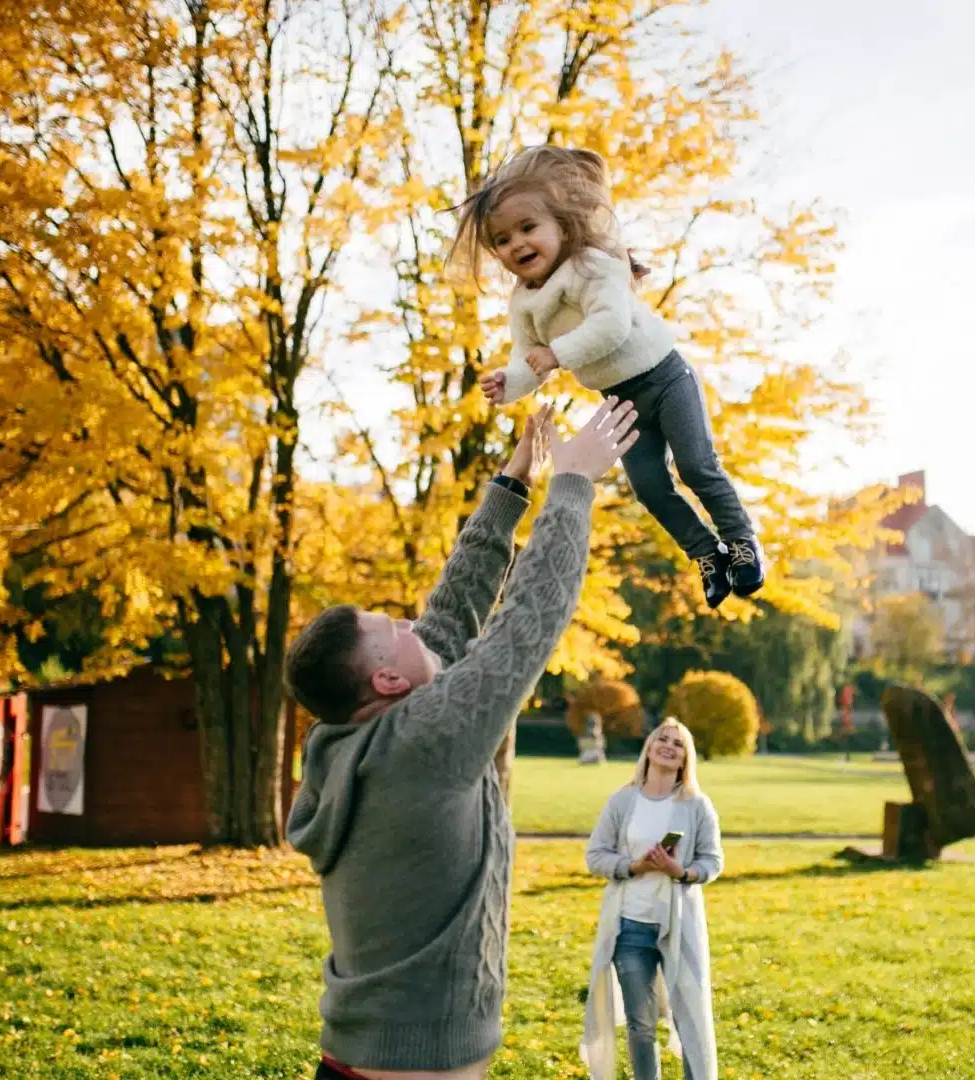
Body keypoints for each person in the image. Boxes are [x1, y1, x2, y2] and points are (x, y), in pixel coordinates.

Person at [284, 399, 639, 1080]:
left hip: (361, 1057)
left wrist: (511, 488)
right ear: (386, 679)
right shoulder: (422, 742)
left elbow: (448, 618)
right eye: (392, 626)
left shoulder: (361, 739)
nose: (411, 622)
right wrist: (574, 486)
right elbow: (527, 621)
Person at [448, 144, 763, 610]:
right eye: (502, 240)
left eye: (528, 228)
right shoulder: (524, 301)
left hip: (666, 377)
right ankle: (706, 554)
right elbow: (527, 356)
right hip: (622, 402)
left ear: (560, 225)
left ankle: (740, 541)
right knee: (650, 486)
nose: (517, 244)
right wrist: (509, 382)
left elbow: (611, 326)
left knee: (695, 465)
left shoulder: (591, 265)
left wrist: (557, 354)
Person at [581, 718, 724, 1080]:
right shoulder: (623, 799)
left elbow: (713, 861)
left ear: (684, 759)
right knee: (640, 1026)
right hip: (629, 927)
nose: (669, 746)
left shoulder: (697, 805)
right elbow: (595, 855)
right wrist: (635, 866)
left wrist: (681, 872)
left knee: (690, 1017)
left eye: (678, 743)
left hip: (680, 927)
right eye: (663, 738)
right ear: (649, 747)